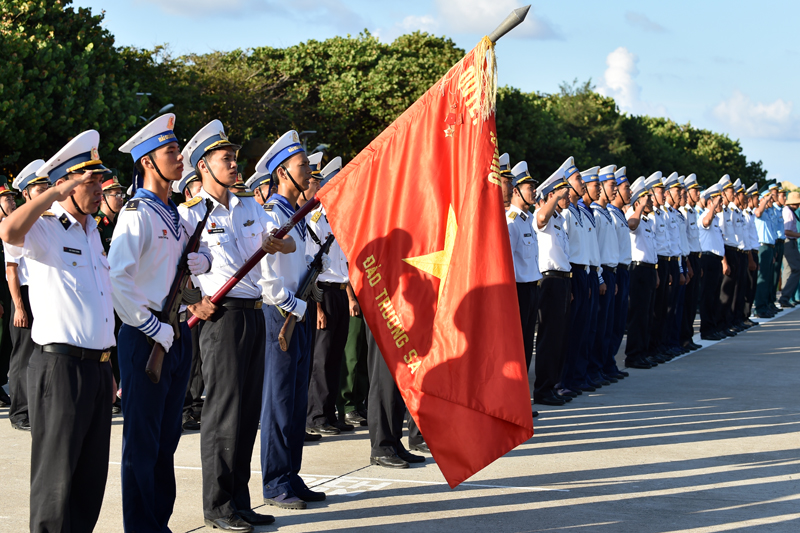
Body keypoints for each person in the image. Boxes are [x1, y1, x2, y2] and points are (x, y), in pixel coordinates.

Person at [0, 130, 116, 533]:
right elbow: (8, 233)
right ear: (66, 184)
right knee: (56, 479)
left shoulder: (92, 232)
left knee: (89, 478)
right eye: (92, 181)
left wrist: (109, 365)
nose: (101, 188)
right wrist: (48, 196)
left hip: (98, 368)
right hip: (61, 368)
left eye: (101, 180)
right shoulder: (45, 228)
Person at [111, 113, 216, 532]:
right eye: (170, 151)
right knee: (142, 441)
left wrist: (202, 260)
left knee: (167, 440)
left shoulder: (177, 213)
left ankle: (160, 521)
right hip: (146, 334)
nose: (179, 156)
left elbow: (203, 255)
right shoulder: (136, 213)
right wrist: (153, 329)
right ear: (148, 163)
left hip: (176, 331)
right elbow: (119, 279)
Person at [180, 119, 282, 531]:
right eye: (227, 159)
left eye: (235, 159)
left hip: (254, 312)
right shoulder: (191, 214)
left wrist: (279, 242)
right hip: (220, 318)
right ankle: (218, 505)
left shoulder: (250, 206)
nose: (235, 165)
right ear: (204, 166)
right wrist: (194, 300)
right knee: (223, 413)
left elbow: (283, 239)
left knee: (247, 413)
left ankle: (240, 499)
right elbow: (175, 272)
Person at [257, 130, 331, 509]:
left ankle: (291, 473)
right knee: (279, 400)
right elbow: (267, 277)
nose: (309, 169)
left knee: (297, 398)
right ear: (283, 172)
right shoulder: (271, 212)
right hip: (281, 315)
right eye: (303, 165)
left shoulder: (295, 213)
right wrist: (295, 307)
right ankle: (274, 482)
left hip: (297, 313)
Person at [306, 156, 359, 436]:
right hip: (323, 294)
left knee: (335, 355)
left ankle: (329, 413)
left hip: (339, 291)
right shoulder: (316, 221)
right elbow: (311, 266)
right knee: (321, 358)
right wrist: (317, 308)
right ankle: (316, 415)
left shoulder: (338, 219)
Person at [4, 159, 48, 430]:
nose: (43, 190)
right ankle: (20, 412)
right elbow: (12, 271)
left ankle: (35, 407)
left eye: (45, 185)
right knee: (23, 355)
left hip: (43, 293)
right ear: (26, 193)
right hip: (24, 293)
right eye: (37, 186)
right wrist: (19, 307)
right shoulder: (18, 222)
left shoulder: (49, 220)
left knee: (40, 353)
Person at [532, 167, 572, 404]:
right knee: (548, 337)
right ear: (551, 196)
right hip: (548, 280)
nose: (567, 198)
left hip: (562, 281)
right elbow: (541, 218)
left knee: (559, 337)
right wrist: (554, 197)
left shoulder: (560, 219)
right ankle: (543, 390)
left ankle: (553, 385)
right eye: (562, 194)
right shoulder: (544, 214)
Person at [172, 165, 205, 431]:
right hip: (188, 296)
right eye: (197, 185)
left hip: (207, 294)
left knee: (200, 358)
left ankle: (195, 405)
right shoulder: (186, 214)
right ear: (187, 191)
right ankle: (183, 408)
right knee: (190, 356)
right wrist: (192, 298)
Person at [559, 157, 592, 399]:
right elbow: (565, 249)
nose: (583, 183)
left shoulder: (579, 212)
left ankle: (576, 377)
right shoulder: (566, 214)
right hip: (571, 273)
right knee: (568, 331)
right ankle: (563, 380)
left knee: (581, 329)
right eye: (578, 179)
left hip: (584, 272)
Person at [506, 161, 542, 376]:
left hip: (531, 288)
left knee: (528, 344)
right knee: (517, 345)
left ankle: (523, 398)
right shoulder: (511, 222)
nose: (534, 191)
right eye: (530, 187)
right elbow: (508, 262)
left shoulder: (527, 220)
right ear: (517, 192)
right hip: (518, 291)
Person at [95, 172, 127, 413]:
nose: (121, 198)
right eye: (116, 194)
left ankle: (118, 391)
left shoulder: (120, 225)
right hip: (105, 295)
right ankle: (110, 392)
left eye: (121, 193)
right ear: (103, 198)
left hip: (120, 295)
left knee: (119, 342)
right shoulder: (96, 226)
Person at [624, 177, 658, 369]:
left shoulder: (647, 219)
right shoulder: (633, 214)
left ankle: (642, 352)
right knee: (638, 314)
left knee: (647, 314)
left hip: (649, 270)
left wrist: (656, 273)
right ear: (638, 202)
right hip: (637, 270)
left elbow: (651, 249)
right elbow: (631, 225)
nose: (651, 202)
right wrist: (638, 206)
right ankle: (633, 355)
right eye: (647, 199)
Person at [590, 165, 619, 383]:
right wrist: (600, 278)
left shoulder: (606, 214)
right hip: (599, 274)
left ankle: (604, 366)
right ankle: (595, 369)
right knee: (597, 327)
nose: (615, 190)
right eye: (612, 185)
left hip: (611, 272)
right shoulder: (596, 215)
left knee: (609, 325)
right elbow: (595, 252)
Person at [606, 167, 632, 378]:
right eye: (625, 188)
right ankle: (603, 365)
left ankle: (609, 363)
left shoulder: (617, 215)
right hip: (609, 271)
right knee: (606, 323)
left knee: (617, 321)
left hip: (620, 270)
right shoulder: (609, 214)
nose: (624, 191)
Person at [698, 184, 727, 339]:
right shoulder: (705, 216)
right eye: (718, 202)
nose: (721, 205)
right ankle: (706, 329)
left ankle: (713, 327)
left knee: (715, 296)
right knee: (707, 296)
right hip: (707, 259)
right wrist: (713, 206)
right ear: (710, 202)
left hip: (715, 260)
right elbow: (706, 222)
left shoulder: (716, 219)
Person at [0, 175, 19, 409]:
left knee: (7, 345)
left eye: (12, 197)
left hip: (8, 294)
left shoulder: (10, 228)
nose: (12, 202)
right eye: (6, 198)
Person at [680, 174, 703, 350]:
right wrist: (687, 264)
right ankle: (684, 337)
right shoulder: (683, 212)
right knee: (686, 302)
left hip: (695, 258)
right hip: (687, 259)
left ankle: (688, 335)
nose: (698, 193)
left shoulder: (692, 211)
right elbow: (684, 242)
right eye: (696, 190)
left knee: (692, 300)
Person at [753, 189, 777, 318]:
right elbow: (758, 213)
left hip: (769, 247)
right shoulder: (760, 211)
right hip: (762, 247)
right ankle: (760, 308)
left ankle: (766, 305)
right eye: (768, 199)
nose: (771, 201)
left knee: (768, 279)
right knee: (762, 278)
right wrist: (765, 199)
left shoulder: (768, 213)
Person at [779, 191, 800, 307]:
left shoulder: (789, 211)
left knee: (788, 269)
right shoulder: (788, 213)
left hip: (790, 242)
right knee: (796, 269)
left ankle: (785, 298)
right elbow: (786, 231)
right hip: (789, 242)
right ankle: (785, 296)